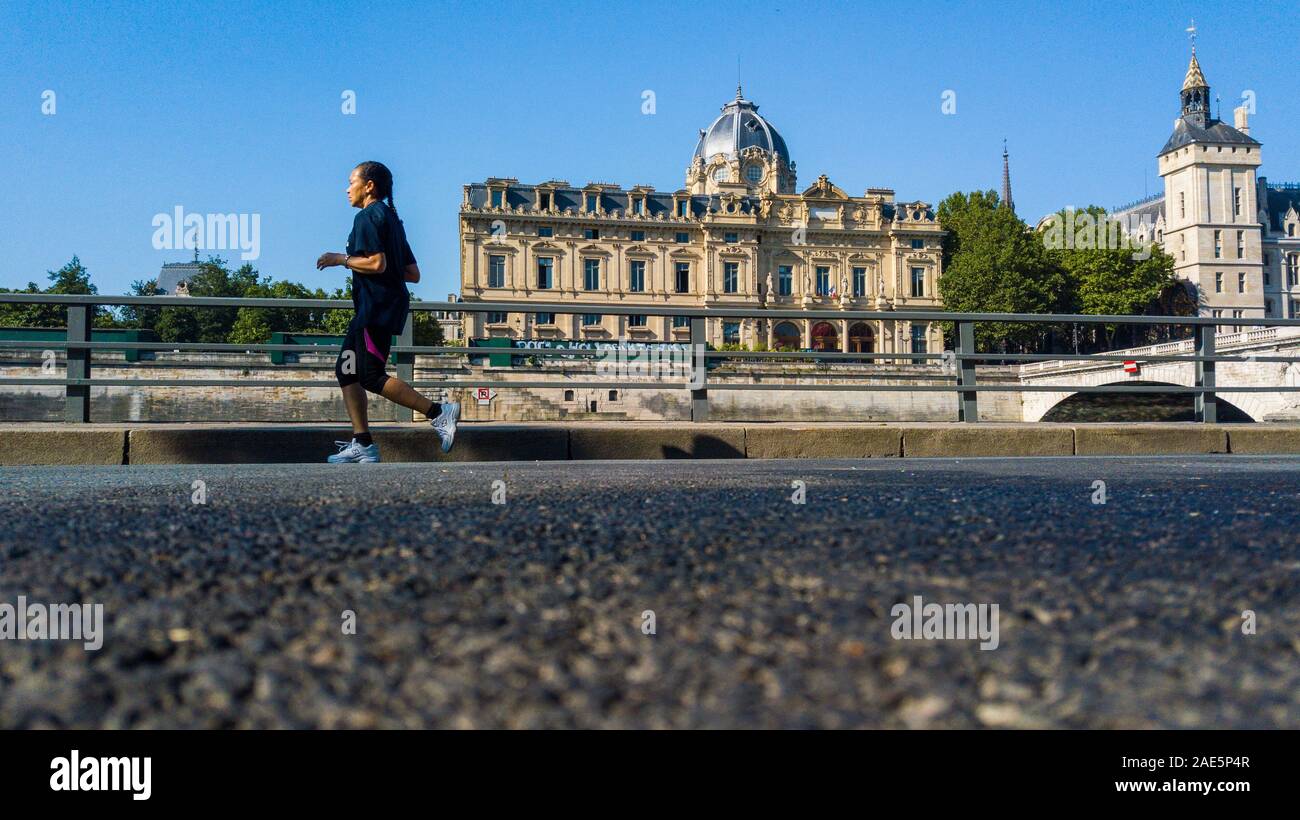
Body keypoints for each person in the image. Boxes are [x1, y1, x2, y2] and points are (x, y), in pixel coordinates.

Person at [316, 161, 458, 462]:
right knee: (347, 370)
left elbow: (378, 264)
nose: (346, 188)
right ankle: (363, 443)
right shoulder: (392, 219)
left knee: (369, 375)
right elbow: (412, 272)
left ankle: (438, 412)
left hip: (375, 308)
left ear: (369, 186)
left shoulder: (368, 217)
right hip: (378, 307)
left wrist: (339, 258)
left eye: (351, 181)